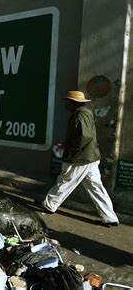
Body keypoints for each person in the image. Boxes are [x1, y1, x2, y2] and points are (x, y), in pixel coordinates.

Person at [39, 91, 119, 227]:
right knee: (96, 187)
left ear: (73, 103)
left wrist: (71, 149)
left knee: (65, 181)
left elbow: (84, 137)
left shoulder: (80, 115)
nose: (66, 105)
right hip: (91, 157)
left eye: (67, 102)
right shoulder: (85, 113)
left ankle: (49, 205)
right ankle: (110, 217)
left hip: (80, 158)